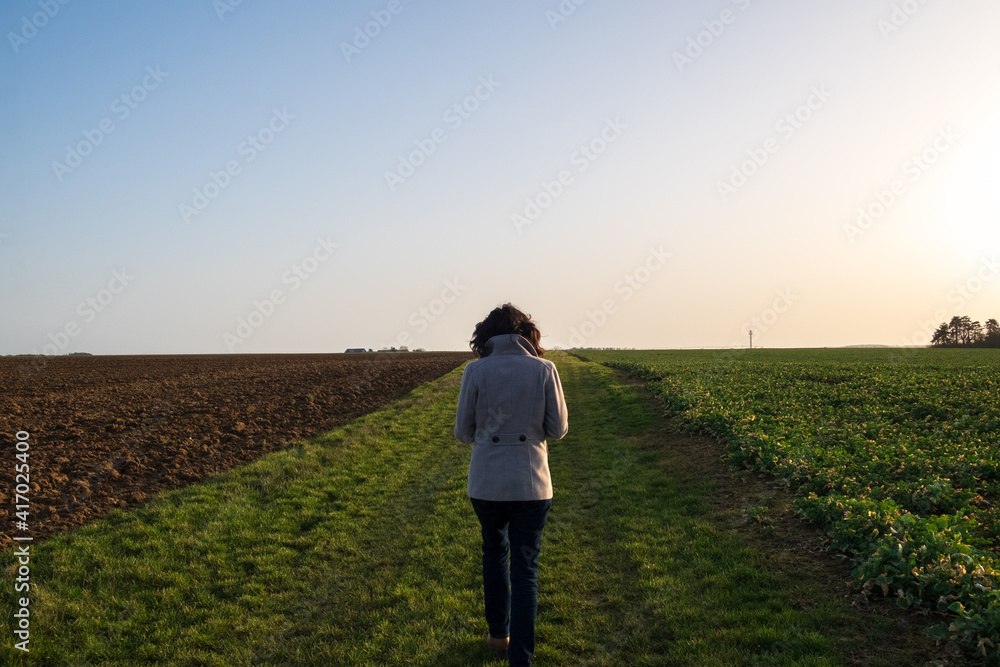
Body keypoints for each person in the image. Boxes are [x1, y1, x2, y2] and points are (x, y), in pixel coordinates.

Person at [454, 303, 569, 666]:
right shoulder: (544, 369)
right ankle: (521, 657)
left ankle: (497, 635)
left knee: (493, 553)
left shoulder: (475, 371)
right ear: (527, 334)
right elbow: (558, 429)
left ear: (486, 335)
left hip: (486, 483)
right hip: (531, 483)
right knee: (525, 569)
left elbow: (462, 433)